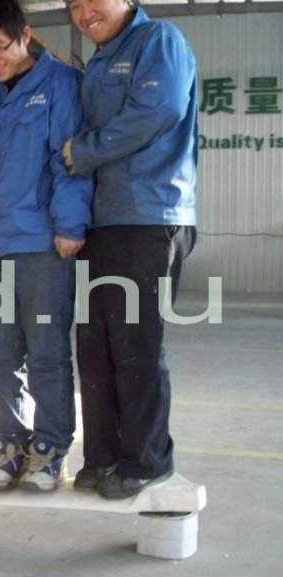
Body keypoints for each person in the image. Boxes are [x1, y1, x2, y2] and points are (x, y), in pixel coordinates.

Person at [63, 0, 197, 498]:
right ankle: (102, 456)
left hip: (148, 217)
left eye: (91, 1)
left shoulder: (158, 41)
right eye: (73, 5)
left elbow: (157, 110)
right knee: (94, 345)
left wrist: (83, 151)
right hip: (99, 221)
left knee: (136, 345)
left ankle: (146, 460)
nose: (83, 13)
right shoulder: (99, 60)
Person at [0, 0, 93, 492]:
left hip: (43, 242)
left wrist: (70, 224)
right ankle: (10, 447)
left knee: (46, 352)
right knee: (0, 354)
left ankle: (50, 450)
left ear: (24, 36)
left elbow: (70, 160)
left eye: (0, 47)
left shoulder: (61, 84)